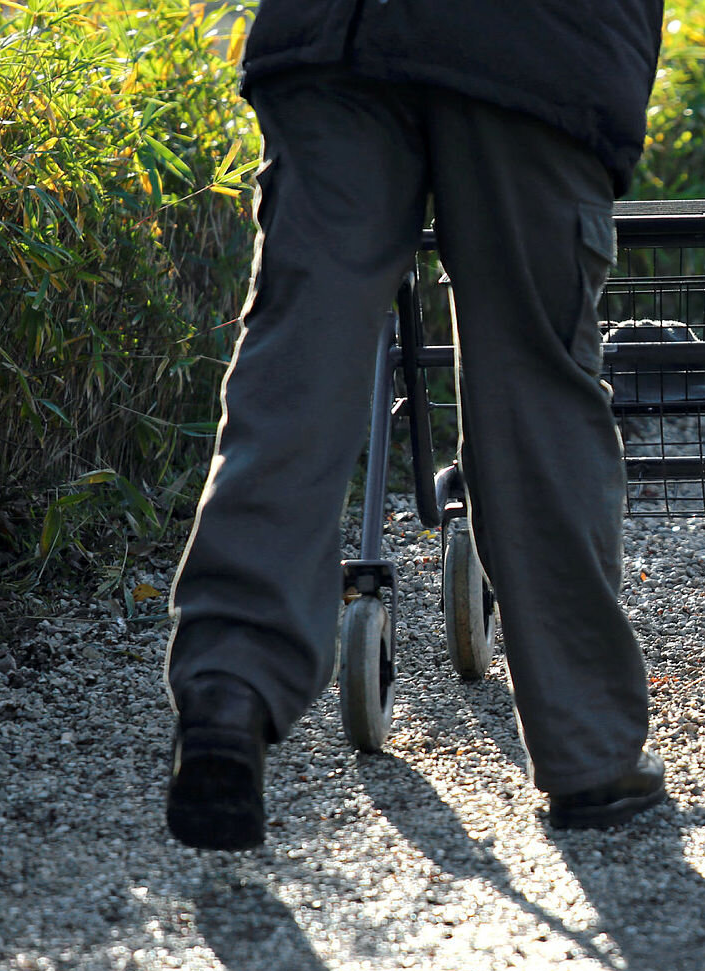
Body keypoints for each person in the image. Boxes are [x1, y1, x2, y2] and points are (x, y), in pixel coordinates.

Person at [163, 0, 668, 851]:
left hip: (342, 34)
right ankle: (588, 750)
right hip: (539, 46)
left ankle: (229, 687)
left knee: (300, 357)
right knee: (533, 383)